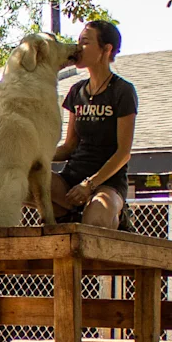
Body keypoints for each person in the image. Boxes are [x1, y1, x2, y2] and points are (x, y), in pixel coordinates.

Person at [49, 19, 136, 229]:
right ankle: (67, 214)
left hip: (106, 184)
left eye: (86, 42)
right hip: (70, 181)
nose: (79, 47)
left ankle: (118, 217)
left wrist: (90, 185)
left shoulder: (122, 91)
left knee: (96, 220)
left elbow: (123, 152)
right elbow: (69, 146)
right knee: (25, 180)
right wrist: (34, 156)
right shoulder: (76, 91)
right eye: (78, 41)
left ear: (106, 49)